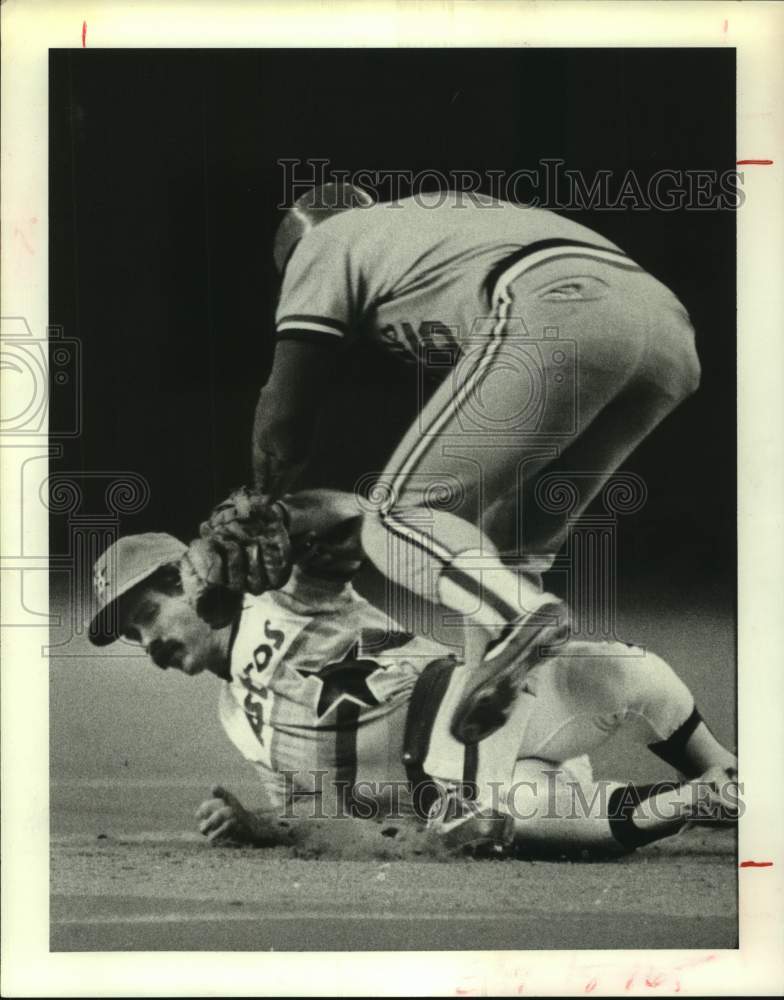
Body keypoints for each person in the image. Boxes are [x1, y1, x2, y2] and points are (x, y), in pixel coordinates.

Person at [252, 183, 701, 746]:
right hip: (667, 336)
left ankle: (520, 618)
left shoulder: (326, 241)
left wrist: (261, 502)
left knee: (395, 516)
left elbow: (284, 413)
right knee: (505, 553)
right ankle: (491, 775)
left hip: (561, 301)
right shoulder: (417, 237)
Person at [87, 490, 737, 857]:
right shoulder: (236, 719)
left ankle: (720, 765)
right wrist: (260, 826)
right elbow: (318, 819)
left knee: (616, 670)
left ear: (184, 578)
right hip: (453, 796)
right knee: (528, 816)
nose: (147, 645)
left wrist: (291, 514)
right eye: (133, 636)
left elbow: (364, 518)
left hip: (488, 701)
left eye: (146, 617)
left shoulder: (282, 590)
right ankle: (706, 800)